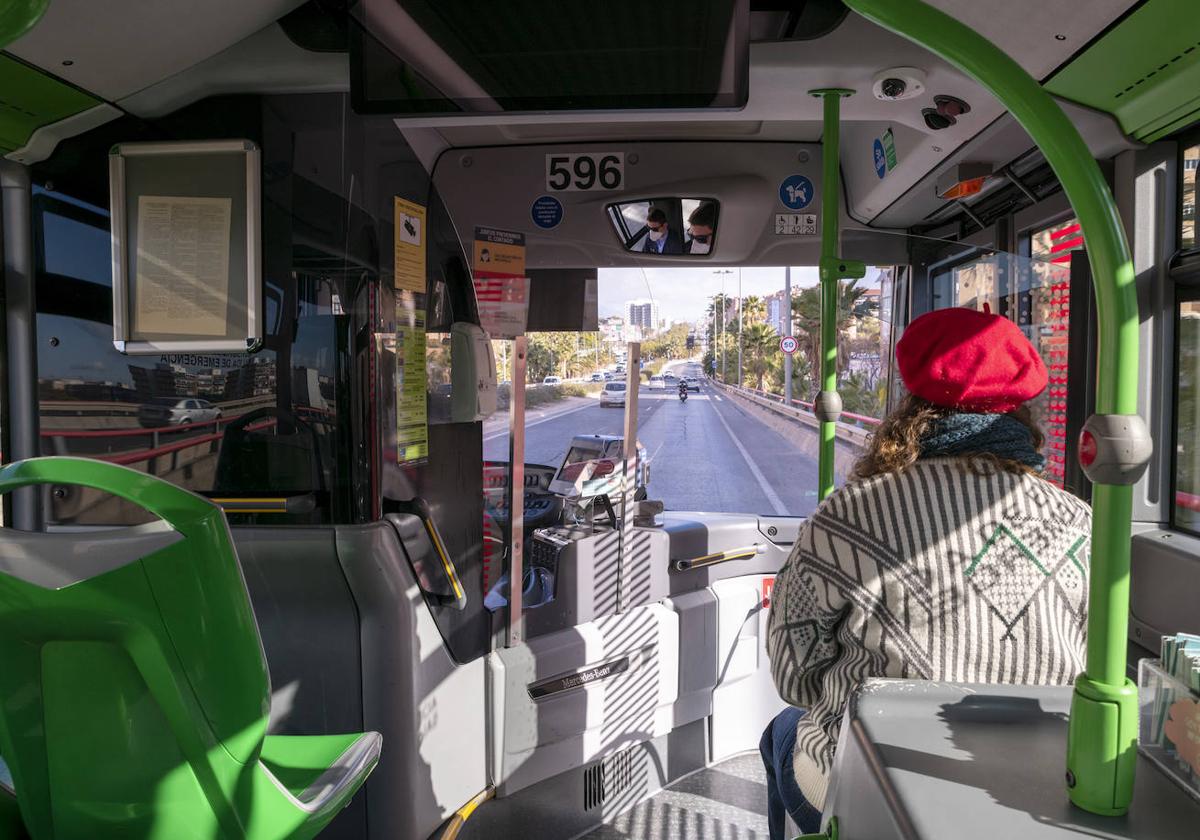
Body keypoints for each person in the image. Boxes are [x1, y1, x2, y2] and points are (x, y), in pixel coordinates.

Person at [760, 306, 1091, 839]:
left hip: (868, 786)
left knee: (781, 734)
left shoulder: (847, 515)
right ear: (1021, 410)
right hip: (1043, 792)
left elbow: (794, 679)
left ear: (911, 399)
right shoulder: (1080, 520)